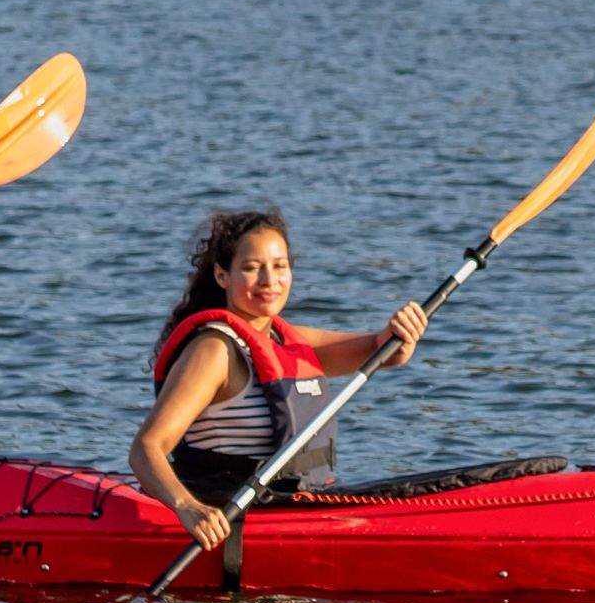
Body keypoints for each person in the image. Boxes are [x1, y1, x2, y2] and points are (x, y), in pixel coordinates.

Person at [129, 207, 431, 550]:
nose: (268, 281)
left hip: (289, 510)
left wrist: (402, 334)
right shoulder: (214, 351)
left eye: (279, 266)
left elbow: (384, 351)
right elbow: (146, 448)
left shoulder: (289, 342)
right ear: (222, 275)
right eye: (251, 268)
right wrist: (188, 508)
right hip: (222, 524)